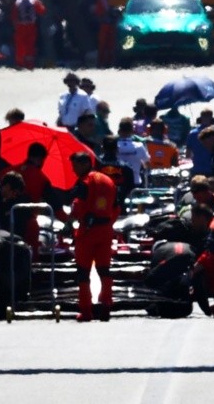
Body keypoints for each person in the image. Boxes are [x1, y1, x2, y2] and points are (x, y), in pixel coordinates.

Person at [68, 152, 119, 321]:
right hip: (105, 230)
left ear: (84, 164)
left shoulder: (84, 182)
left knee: (83, 272)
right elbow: (117, 207)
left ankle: (86, 311)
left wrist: (72, 218)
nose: (73, 169)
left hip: (88, 232)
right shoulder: (108, 181)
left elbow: (77, 206)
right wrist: (108, 223)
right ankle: (106, 305)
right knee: (104, 270)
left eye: (75, 165)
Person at [96, 136, 136, 205]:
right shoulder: (126, 167)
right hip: (118, 205)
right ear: (117, 149)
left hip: (97, 205)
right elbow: (130, 187)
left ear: (102, 148)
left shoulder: (95, 165)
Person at [11, 0, 46, 69]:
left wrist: (15, 26)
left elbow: (14, 16)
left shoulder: (17, 3)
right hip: (31, 26)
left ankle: (20, 63)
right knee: (30, 45)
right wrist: (40, 2)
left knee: (20, 45)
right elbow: (42, 11)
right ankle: (29, 64)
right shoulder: (35, 2)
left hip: (20, 26)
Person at [186, 109, 214, 177]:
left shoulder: (192, 133)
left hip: (209, 169)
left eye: (207, 116)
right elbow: (188, 154)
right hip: (203, 169)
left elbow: (188, 155)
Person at [115, 117, 150, 187]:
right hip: (135, 183)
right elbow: (147, 163)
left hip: (118, 183)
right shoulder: (139, 146)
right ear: (132, 131)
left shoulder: (113, 146)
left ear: (119, 130)